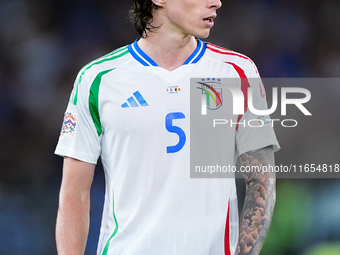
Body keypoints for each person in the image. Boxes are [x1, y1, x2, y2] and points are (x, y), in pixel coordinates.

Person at [55, 0, 280, 254]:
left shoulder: (237, 72)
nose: (216, 2)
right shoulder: (98, 79)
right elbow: (75, 193)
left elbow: (261, 182)